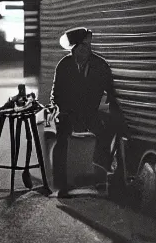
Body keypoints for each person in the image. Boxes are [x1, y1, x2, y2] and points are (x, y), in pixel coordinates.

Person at [49, 27, 126, 197]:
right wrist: (59, 111)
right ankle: (61, 184)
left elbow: (110, 94)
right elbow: (56, 94)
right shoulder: (64, 65)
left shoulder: (100, 65)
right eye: (83, 47)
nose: (87, 50)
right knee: (61, 137)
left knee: (105, 134)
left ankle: (99, 177)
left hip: (90, 113)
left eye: (88, 47)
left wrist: (112, 114)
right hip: (69, 113)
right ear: (74, 48)